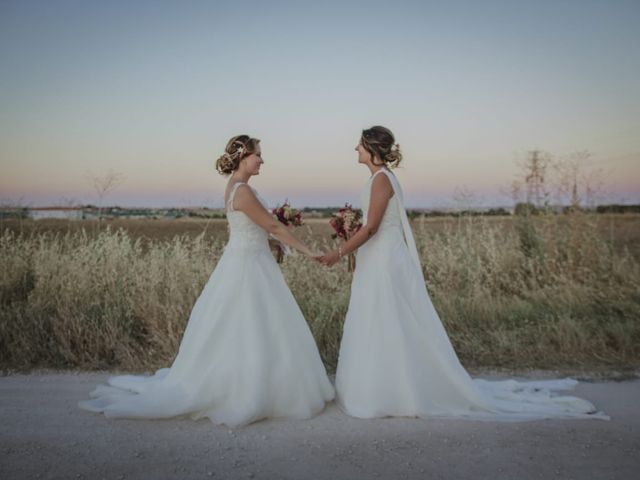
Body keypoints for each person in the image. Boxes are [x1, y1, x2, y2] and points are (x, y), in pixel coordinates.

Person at [320, 126, 609, 422]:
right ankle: (384, 386)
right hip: (378, 257)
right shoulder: (379, 179)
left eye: (359, 145)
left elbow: (371, 228)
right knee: (381, 319)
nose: (355, 149)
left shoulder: (381, 180)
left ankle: (392, 391)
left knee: (386, 318)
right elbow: (369, 226)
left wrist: (338, 252)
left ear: (371, 148)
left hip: (384, 259)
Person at [78, 134, 335, 427]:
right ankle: (244, 388)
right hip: (248, 265)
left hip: (250, 260)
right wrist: (309, 251)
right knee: (250, 323)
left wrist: (272, 242)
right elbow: (273, 225)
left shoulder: (237, 188)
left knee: (250, 324)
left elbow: (260, 228)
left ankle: (256, 382)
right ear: (243, 157)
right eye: (258, 155)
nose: (262, 159)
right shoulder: (243, 191)